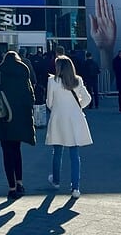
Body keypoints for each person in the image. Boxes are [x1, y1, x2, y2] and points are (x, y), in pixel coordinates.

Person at [0, 51, 36, 201]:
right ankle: (20, 183)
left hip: (3, 118)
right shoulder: (24, 73)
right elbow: (30, 96)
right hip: (19, 118)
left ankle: (11, 188)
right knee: (17, 150)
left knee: (6, 153)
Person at [45, 55, 93, 199]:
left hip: (58, 118)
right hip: (74, 119)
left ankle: (56, 180)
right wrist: (77, 107)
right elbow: (88, 98)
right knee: (74, 153)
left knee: (57, 151)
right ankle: (75, 187)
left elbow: (49, 102)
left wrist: (57, 108)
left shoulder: (52, 81)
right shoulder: (77, 80)